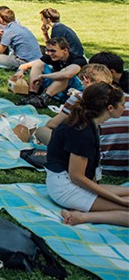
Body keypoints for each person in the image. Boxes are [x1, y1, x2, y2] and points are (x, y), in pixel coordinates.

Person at [44, 83, 129, 227]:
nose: (124, 108)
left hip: (72, 182)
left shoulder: (90, 123)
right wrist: (119, 200)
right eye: (122, 104)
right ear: (109, 108)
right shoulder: (82, 132)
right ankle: (81, 217)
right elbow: (77, 177)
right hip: (65, 187)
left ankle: (80, 210)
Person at [34, 64, 111, 146]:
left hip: (81, 148)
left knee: (41, 130)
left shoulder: (78, 98)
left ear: (86, 79)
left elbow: (52, 124)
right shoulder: (118, 98)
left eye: (82, 82)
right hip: (112, 147)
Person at [12, 37, 86, 107]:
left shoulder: (78, 60)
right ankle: (32, 94)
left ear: (65, 50)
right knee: (38, 64)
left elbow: (68, 74)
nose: (50, 53)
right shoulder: (51, 57)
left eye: (53, 51)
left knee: (63, 73)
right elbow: (28, 65)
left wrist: (42, 76)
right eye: (48, 50)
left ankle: (43, 99)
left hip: (75, 92)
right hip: (58, 89)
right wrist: (20, 71)